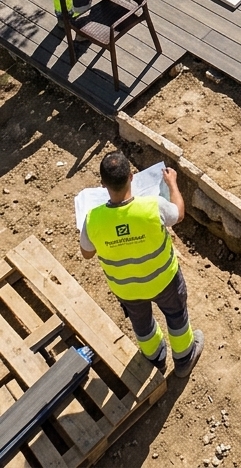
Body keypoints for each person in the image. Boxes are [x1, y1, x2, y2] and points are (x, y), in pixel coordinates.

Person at [80, 150, 204, 378]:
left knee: (142, 324)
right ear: (131, 177)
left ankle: (155, 359)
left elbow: (87, 253)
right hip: (164, 280)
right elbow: (178, 214)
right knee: (176, 315)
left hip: (127, 289)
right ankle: (184, 358)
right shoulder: (153, 207)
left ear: (103, 184)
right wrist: (172, 183)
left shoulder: (92, 219)